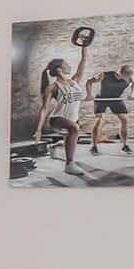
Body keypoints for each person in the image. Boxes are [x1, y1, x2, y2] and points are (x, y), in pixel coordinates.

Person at [34, 48, 89, 177]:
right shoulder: (52, 87)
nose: (69, 66)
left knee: (70, 139)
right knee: (74, 129)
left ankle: (53, 147)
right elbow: (44, 108)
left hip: (73, 119)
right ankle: (69, 165)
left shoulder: (74, 81)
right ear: (59, 69)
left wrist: (84, 47)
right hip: (57, 119)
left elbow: (83, 61)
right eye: (66, 64)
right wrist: (38, 130)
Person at [89, 63, 134, 155]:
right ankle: (94, 147)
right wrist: (89, 95)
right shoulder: (104, 75)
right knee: (100, 120)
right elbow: (89, 81)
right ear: (121, 74)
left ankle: (124, 146)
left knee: (124, 120)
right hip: (101, 99)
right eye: (126, 78)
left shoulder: (129, 76)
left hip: (116, 98)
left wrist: (132, 94)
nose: (128, 80)